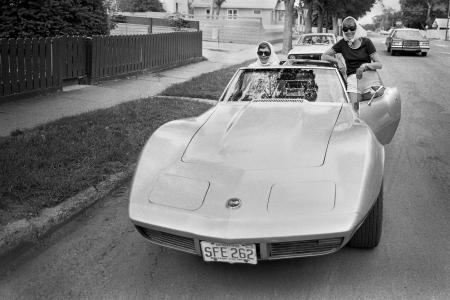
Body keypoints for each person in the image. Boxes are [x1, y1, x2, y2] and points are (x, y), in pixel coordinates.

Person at [321, 16, 382, 108]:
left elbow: (379, 64)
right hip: (353, 81)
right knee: (354, 110)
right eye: (345, 29)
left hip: (369, 78)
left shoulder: (366, 42)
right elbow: (324, 56)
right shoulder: (342, 43)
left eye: (352, 28)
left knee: (374, 107)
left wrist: (365, 65)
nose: (349, 32)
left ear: (357, 28)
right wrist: (337, 61)